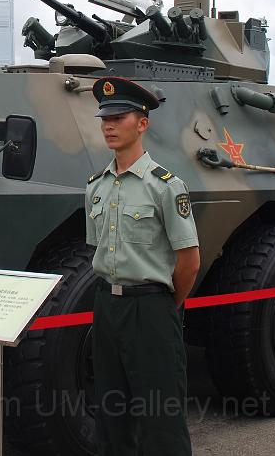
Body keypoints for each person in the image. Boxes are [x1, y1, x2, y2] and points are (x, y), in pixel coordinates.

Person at [85, 76, 201, 455]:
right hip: (106, 307)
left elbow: (189, 261)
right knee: (110, 415)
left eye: (119, 117)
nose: (109, 125)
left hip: (150, 309)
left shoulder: (166, 187)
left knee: (160, 420)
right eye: (105, 117)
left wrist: (163, 304)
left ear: (143, 123)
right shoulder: (96, 187)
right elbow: (97, 250)